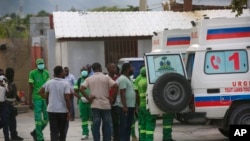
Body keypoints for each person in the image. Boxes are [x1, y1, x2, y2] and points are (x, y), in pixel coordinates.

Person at [80, 62, 118, 141]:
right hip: (106, 105)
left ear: (93, 69)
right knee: (107, 125)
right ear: (100, 68)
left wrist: (89, 98)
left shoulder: (89, 78)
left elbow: (81, 89)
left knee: (96, 125)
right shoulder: (106, 78)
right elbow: (116, 86)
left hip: (95, 105)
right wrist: (112, 97)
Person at [40, 66, 71, 141]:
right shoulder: (65, 83)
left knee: (53, 131)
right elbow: (67, 98)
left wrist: (49, 104)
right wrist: (69, 111)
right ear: (60, 73)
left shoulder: (49, 82)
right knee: (62, 131)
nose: (64, 73)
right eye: (63, 71)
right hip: (62, 111)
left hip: (52, 110)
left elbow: (45, 95)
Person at [28, 58, 50, 141]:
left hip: (45, 98)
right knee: (38, 120)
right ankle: (40, 138)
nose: (41, 65)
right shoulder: (32, 73)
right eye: (39, 64)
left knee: (47, 119)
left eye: (42, 63)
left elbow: (48, 87)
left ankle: (35, 132)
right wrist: (30, 101)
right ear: (36, 65)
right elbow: (30, 87)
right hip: (36, 99)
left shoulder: (47, 73)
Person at [118, 63, 136, 141]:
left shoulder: (128, 78)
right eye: (132, 67)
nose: (133, 69)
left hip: (131, 106)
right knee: (124, 126)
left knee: (128, 126)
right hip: (126, 107)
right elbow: (122, 93)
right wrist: (125, 106)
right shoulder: (122, 79)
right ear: (127, 69)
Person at [5, 68, 23, 141]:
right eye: (10, 73)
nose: (12, 75)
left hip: (12, 104)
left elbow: (14, 92)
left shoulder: (12, 82)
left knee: (13, 122)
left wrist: (17, 98)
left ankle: (14, 136)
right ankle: (7, 137)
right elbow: (6, 92)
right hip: (5, 105)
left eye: (13, 73)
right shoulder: (4, 81)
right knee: (5, 122)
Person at [74, 66, 92, 140]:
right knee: (84, 119)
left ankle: (94, 132)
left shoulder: (91, 79)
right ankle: (85, 133)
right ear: (80, 72)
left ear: (88, 71)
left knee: (93, 118)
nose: (84, 71)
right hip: (82, 103)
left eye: (85, 70)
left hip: (91, 102)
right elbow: (75, 92)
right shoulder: (78, 80)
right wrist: (80, 97)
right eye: (82, 70)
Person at [106, 63, 120, 141]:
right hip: (106, 103)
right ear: (108, 69)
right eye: (113, 68)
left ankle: (116, 138)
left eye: (115, 67)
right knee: (107, 122)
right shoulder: (105, 78)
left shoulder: (118, 78)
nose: (115, 69)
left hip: (116, 103)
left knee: (116, 122)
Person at [0, 75, 11, 141]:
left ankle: (6, 138)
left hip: (4, 104)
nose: (2, 82)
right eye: (1, 81)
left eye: (3, 81)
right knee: (4, 122)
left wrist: (6, 85)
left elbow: (9, 93)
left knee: (5, 121)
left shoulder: (5, 87)